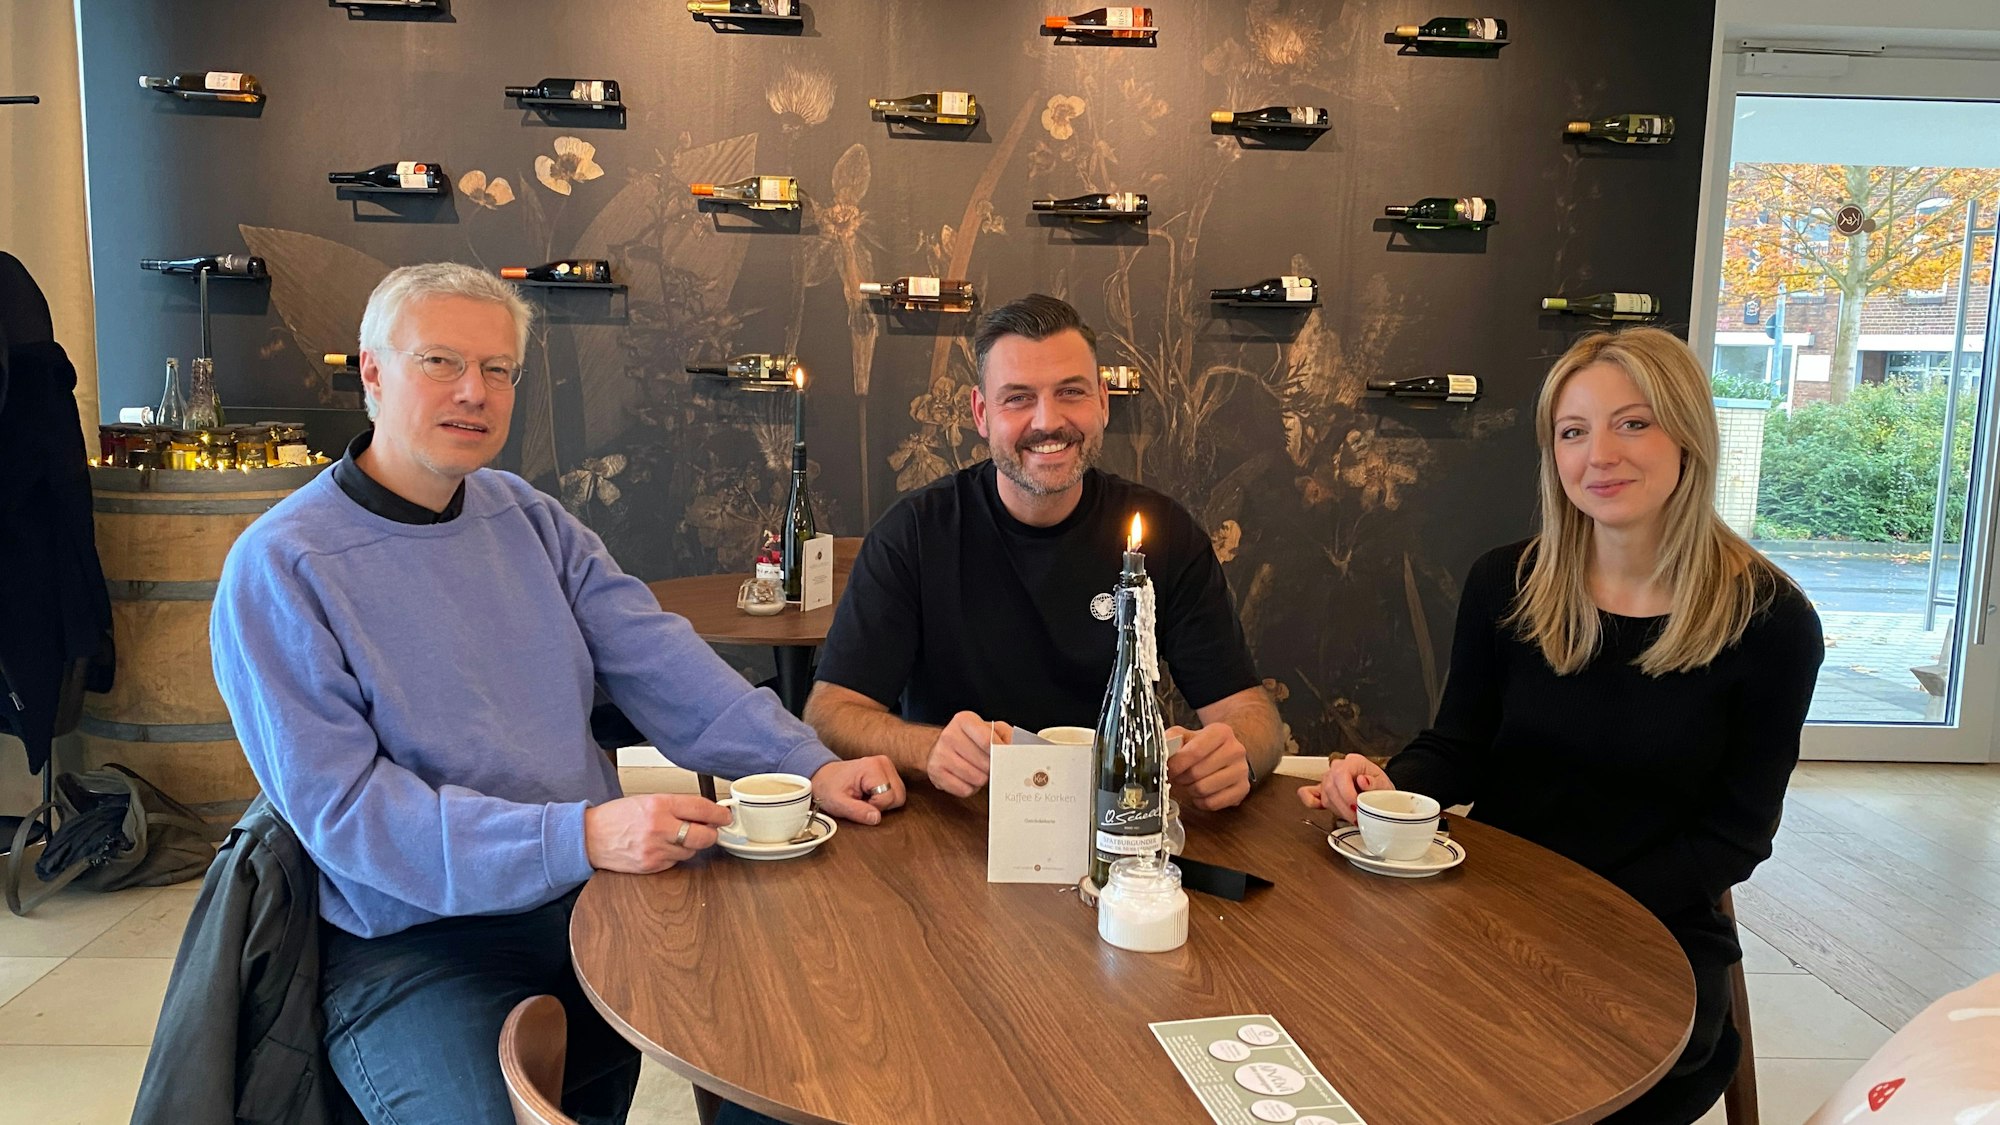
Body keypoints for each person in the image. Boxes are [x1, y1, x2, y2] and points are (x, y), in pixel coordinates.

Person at [209, 262, 903, 1125]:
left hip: (588, 902)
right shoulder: (281, 565)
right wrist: (575, 834)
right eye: (440, 363)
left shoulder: (526, 517)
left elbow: (662, 664)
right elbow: (352, 816)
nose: (475, 392)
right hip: (416, 945)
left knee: (794, 1059)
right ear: (373, 372)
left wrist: (807, 763)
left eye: (498, 370)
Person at [1303, 327, 1823, 1124]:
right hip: (1490, 905)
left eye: (1633, 423)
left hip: (1653, 932)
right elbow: (1460, 747)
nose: (1599, 454)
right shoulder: (1506, 583)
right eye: (1573, 432)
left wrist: (1578, 907)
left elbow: (1736, 835)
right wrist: (1387, 788)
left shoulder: (1771, 622)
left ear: (1688, 432)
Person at [806, 293, 1282, 811]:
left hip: (1112, 819)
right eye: (1017, 398)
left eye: (1070, 391)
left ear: (1102, 401)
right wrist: (927, 747)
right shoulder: (914, 534)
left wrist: (1237, 754)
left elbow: (1253, 715)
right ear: (982, 414)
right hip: (956, 822)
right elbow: (830, 712)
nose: (1046, 421)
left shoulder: (1165, 534)